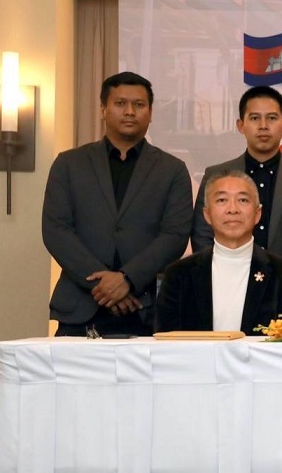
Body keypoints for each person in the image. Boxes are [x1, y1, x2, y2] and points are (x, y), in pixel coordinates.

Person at [42, 71, 192, 336]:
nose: (130, 111)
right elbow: (56, 230)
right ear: (103, 109)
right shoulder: (69, 164)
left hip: (146, 309)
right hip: (80, 307)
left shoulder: (173, 170)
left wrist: (128, 279)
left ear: (150, 113)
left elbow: (175, 235)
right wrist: (103, 284)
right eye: (120, 103)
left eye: (139, 104)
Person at [192, 85, 282, 292]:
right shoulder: (216, 175)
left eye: (272, 118)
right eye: (254, 118)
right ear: (240, 125)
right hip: (225, 288)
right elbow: (202, 236)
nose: (263, 126)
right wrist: (225, 277)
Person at [157, 171, 282, 334]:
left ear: (257, 214)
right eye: (222, 200)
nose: (233, 209)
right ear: (207, 215)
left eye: (243, 200)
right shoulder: (178, 275)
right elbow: (165, 342)